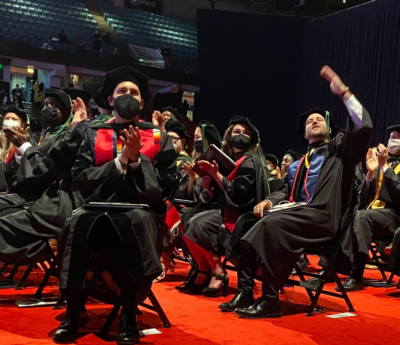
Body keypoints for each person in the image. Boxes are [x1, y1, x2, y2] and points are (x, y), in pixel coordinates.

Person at [218, 65, 373, 318]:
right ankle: (245, 290)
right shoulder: (299, 163)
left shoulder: (340, 152)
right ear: (304, 133)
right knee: (246, 222)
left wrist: (343, 93)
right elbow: (286, 193)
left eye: (319, 119)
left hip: (323, 218)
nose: (314, 120)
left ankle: (270, 302)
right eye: (309, 121)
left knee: (273, 224)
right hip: (299, 214)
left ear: (331, 130)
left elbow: (362, 127)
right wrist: (269, 201)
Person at [54, 66, 177, 344]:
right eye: (122, 91)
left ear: (143, 102)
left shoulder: (158, 137)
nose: (128, 96)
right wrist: (120, 162)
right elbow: (80, 178)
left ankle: (128, 315)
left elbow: (167, 184)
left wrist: (136, 161)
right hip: (96, 209)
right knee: (76, 222)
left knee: (134, 222)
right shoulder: (94, 133)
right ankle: (74, 312)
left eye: (134, 92)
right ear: (111, 99)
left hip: (139, 210)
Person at [183, 115, 268, 297]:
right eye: (237, 131)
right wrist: (209, 186)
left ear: (252, 139)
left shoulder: (250, 161)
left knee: (200, 223)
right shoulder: (229, 158)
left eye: (246, 132)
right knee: (187, 219)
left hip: (242, 214)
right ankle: (205, 269)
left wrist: (217, 175)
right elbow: (220, 194)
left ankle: (217, 271)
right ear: (229, 135)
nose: (241, 135)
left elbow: (240, 195)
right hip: (226, 209)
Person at [338, 125, 400, 291]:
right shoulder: (382, 165)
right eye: (391, 137)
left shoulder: (386, 165)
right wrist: (371, 174)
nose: (392, 141)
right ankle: (333, 265)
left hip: (395, 216)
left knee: (363, 217)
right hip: (373, 214)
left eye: (397, 137)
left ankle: (356, 274)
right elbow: (363, 199)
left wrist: (384, 168)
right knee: (347, 214)